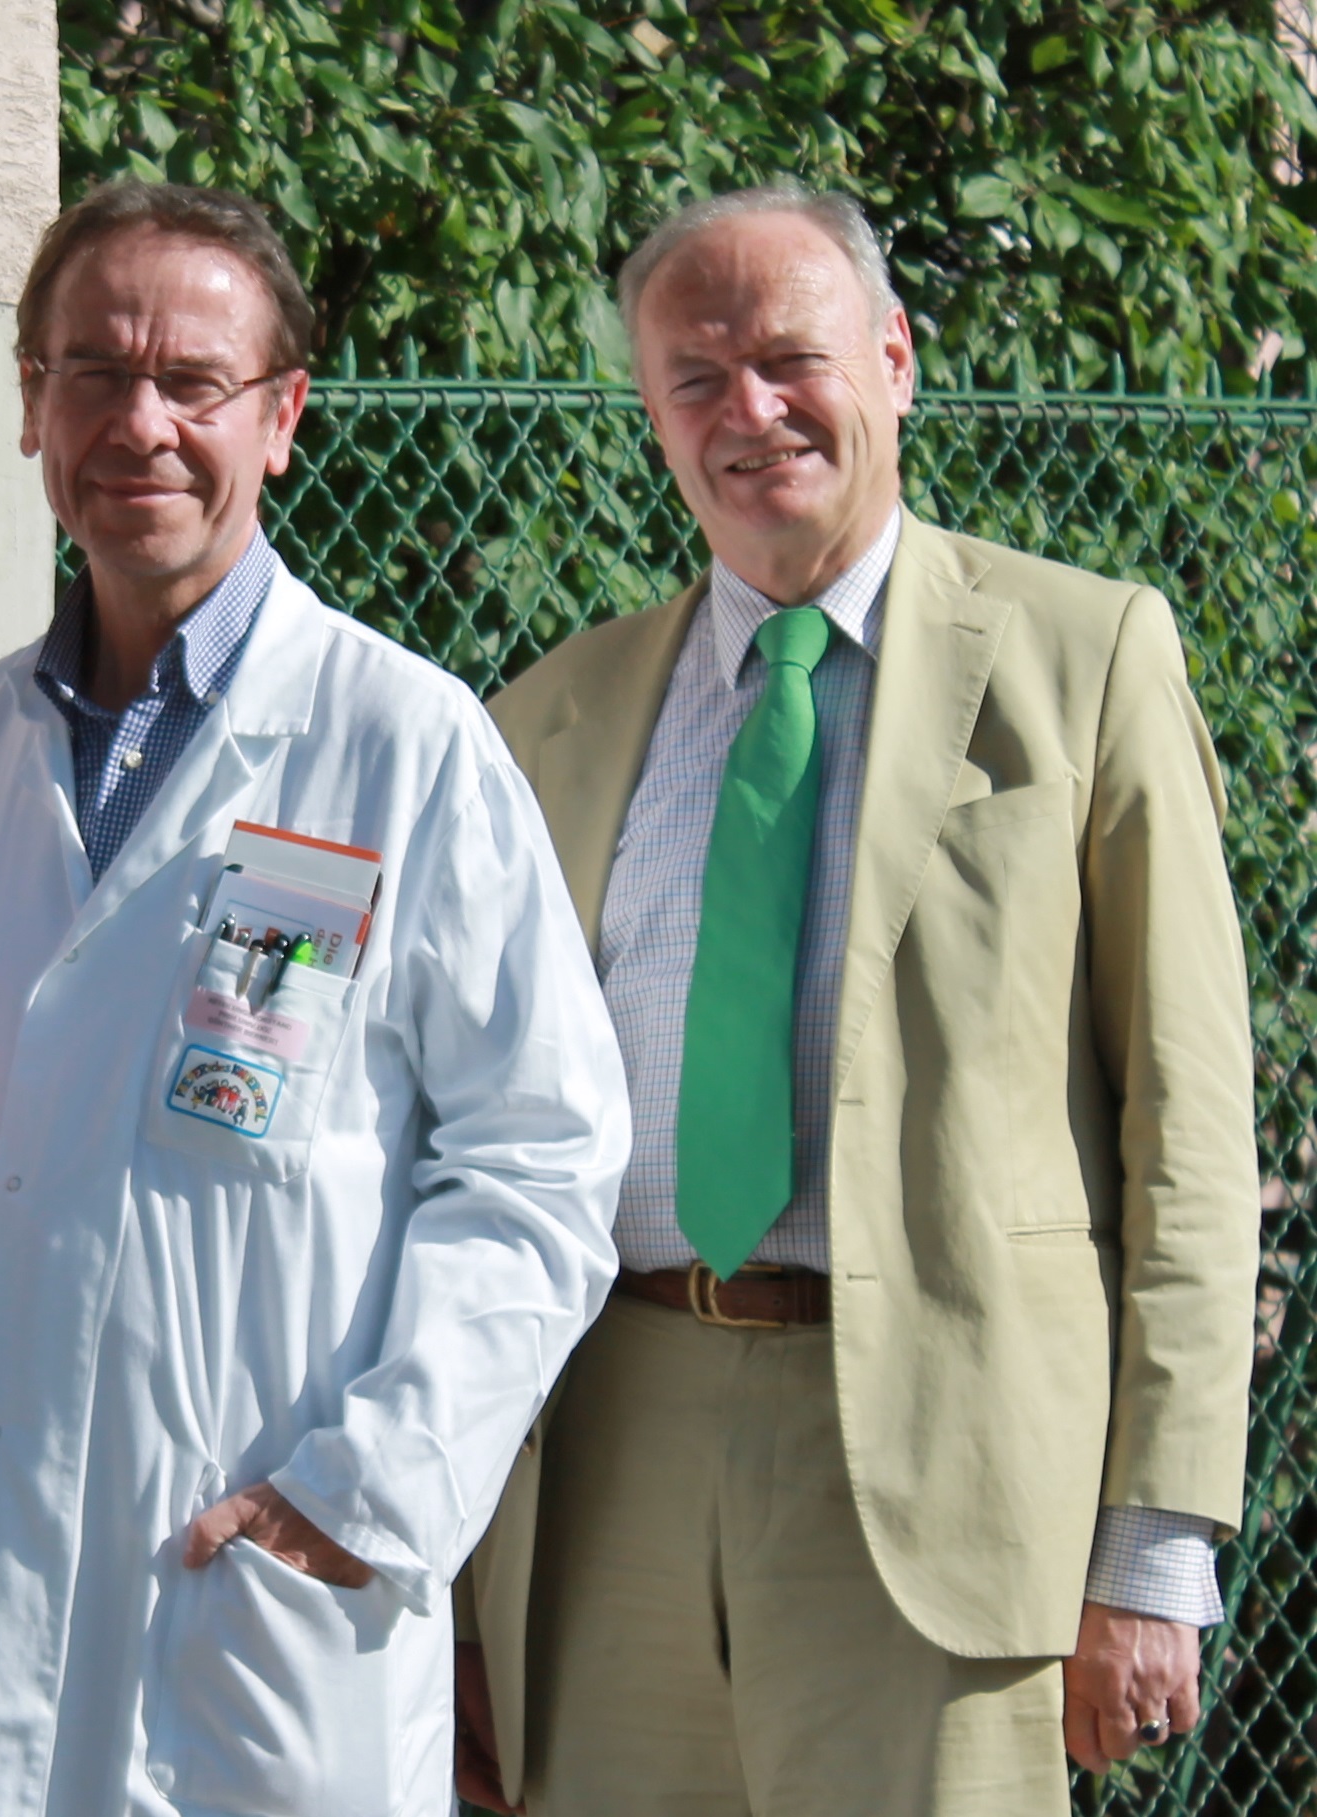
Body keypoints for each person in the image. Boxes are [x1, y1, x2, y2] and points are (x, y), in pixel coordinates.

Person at [0, 181, 629, 1816]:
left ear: (281, 417)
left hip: (250, 1612)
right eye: (92, 372)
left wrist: (365, 1491)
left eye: (192, 382)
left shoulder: (402, 745)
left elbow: (541, 1161)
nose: (139, 423)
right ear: (30, 403)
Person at [461, 185, 1261, 1813]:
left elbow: (1187, 1132)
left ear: (892, 359)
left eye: (789, 358)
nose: (746, 410)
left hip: (947, 1468)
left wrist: (1152, 1546)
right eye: (694, 377)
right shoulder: (547, 712)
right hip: (602, 1449)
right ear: (650, 412)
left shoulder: (1085, 658)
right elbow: (462, 1127)